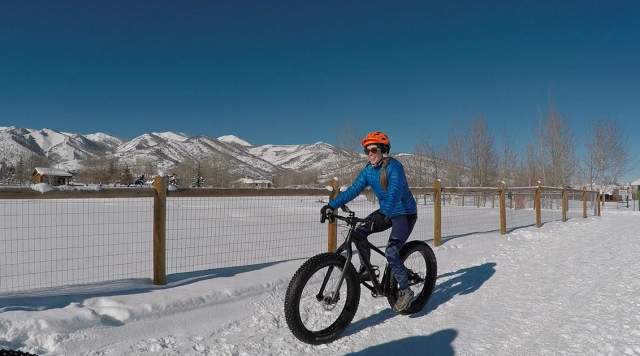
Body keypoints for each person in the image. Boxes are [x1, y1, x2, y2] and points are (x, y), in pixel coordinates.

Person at [320, 131, 418, 312]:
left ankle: (405, 290)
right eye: (367, 151)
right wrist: (331, 205)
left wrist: (385, 213)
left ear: (383, 150)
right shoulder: (369, 170)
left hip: (404, 213)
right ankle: (366, 269)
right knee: (358, 233)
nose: (370, 154)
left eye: (373, 150)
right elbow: (354, 189)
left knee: (391, 252)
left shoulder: (394, 167)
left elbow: (395, 192)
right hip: (385, 211)